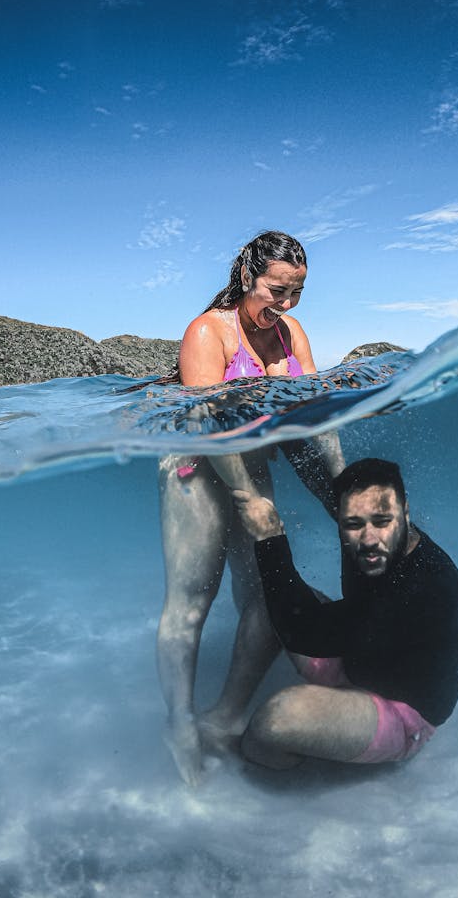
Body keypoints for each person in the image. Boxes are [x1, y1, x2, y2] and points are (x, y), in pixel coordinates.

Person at [157, 230, 345, 787]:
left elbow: (319, 422)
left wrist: (344, 492)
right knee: (191, 604)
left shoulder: (291, 334)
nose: (285, 305)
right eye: (276, 291)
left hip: (249, 467)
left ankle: (231, 712)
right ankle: (179, 725)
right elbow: (207, 427)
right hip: (197, 471)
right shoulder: (207, 332)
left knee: (263, 596)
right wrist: (245, 498)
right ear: (247, 279)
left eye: (297, 293)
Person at [231, 458, 458, 769]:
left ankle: (275, 774)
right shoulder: (371, 531)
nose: (369, 539)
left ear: (406, 513)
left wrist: (268, 537)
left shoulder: (427, 589)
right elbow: (322, 482)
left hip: (402, 713)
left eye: (383, 521)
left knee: (274, 720)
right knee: (269, 600)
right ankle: (226, 715)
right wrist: (289, 438)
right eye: (354, 524)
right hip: (358, 660)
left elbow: (300, 632)